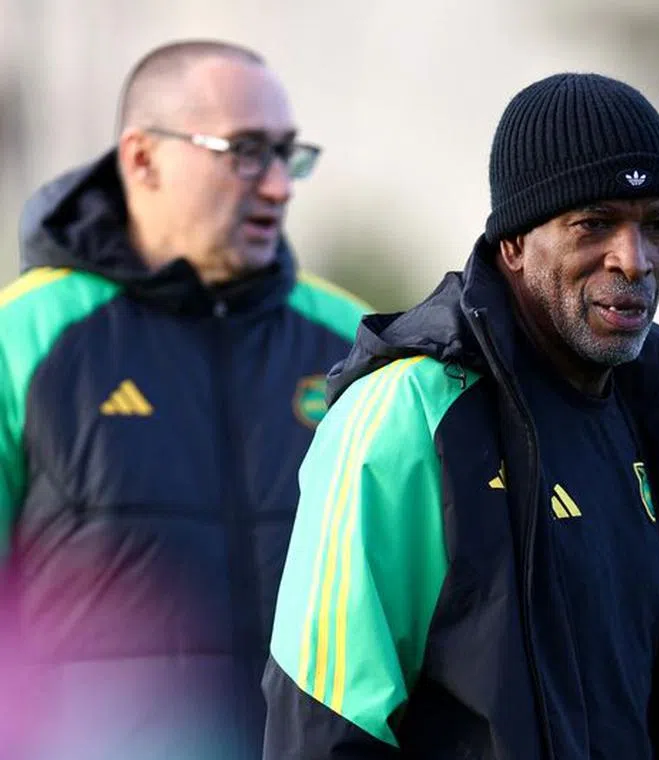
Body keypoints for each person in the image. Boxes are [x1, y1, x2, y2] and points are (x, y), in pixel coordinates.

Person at [262, 72, 659, 759]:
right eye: (594, 223)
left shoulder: (655, 407)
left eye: (658, 226)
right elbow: (323, 726)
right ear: (512, 243)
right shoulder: (408, 414)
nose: (634, 260)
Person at [0, 40, 369, 759]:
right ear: (142, 159)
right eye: (243, 152)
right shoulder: (23, 338)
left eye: (287, 155)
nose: (277, 187)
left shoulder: (354, 349)